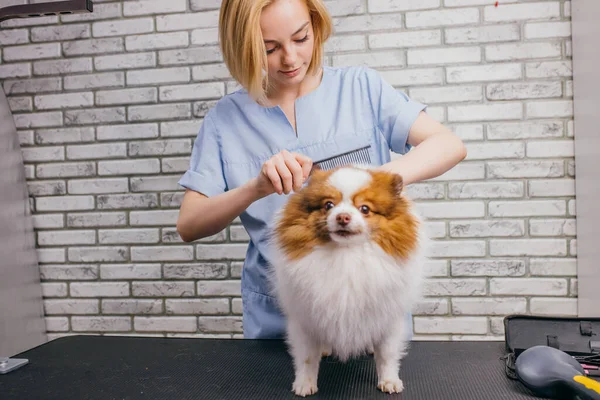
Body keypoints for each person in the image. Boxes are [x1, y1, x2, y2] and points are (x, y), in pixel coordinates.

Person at [176, 0, 467, 340]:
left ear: (316, 24)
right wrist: (255, 189)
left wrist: (373, 183)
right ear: (244, 48)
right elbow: (189, 225)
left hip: (371, 320)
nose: (290, 59)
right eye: (269, 48)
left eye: (301, 38)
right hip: (281, 323)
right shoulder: (225, 121)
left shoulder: (361, 88)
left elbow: (449, 145)